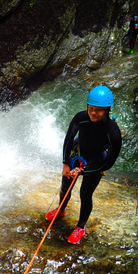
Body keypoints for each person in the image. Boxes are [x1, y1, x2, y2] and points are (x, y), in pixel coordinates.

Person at [45, 86, 122, 244]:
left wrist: (84, 172)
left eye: (98, 110)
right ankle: (62, 209)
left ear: (107, 110)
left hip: (96, 161)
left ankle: (81, 227)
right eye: (90, 108)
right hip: (76, 154)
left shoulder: (112, 132)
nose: (93, 113)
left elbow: (109, 163)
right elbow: (68, 139)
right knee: (65, 185)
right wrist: (66, 164)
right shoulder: (81, 118)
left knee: (85, 193)